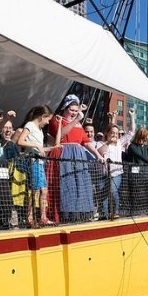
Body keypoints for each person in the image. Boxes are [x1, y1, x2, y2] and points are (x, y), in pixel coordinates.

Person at [47, 94, 103, 223]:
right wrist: (77, 119)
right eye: (71, 110)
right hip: (65, 154)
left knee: (80, 184)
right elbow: (61, 135)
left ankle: (80, 211)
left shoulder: (78, 125)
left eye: (76, 111)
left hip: (78, 156)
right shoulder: (58, 120)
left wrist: (98, 155)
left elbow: (86, 142)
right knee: (67, 183)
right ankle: (66, 212)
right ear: (65, 108)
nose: (73, 113)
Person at [16, 105, 61, 227]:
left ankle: (43, 217)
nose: (47, 123)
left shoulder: (40, 130)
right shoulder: (30, 125)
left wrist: (51, 148)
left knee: (43, 190)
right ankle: (30, 217)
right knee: (35, 190)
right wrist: (36, 145)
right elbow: (20, 141)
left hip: (40, 162)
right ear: (42, 117)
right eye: (48, 120)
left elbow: (40, 149)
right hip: (33, 161)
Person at [95, 109, 135, 218]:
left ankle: (115, 212)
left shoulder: (119, 143)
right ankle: (104, 215)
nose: (115, 135)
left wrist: (131, 116)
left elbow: (131, 132)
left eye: (117, 133)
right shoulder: (100, 143)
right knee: (103, 195)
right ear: (107, 133)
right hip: (103, 174)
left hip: (116, 173)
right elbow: (99, 152)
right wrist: (108, 142)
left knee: (113, 191)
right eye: (112, 133)